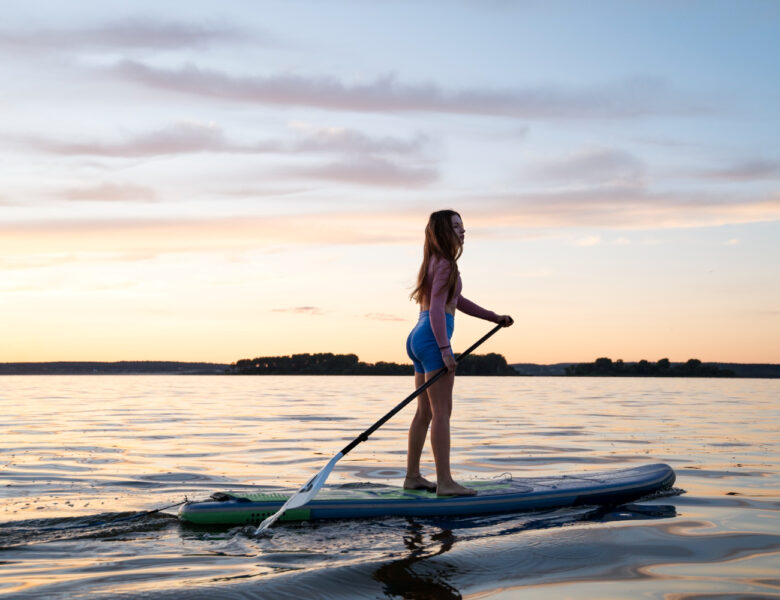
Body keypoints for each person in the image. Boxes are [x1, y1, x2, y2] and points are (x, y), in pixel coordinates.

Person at [405, 210, 513, 496]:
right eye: (456, 226)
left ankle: (413, 477)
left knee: (424, 412)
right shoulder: (446, 264)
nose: (463, 230)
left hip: (417, 335)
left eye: (463, 225)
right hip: (431, 337)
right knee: (442, 412)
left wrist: (493, 317)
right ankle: (445, 482)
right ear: (443, 232)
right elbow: (440, 307)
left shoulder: (432, 262)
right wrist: (444, 349)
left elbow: (457, 300)